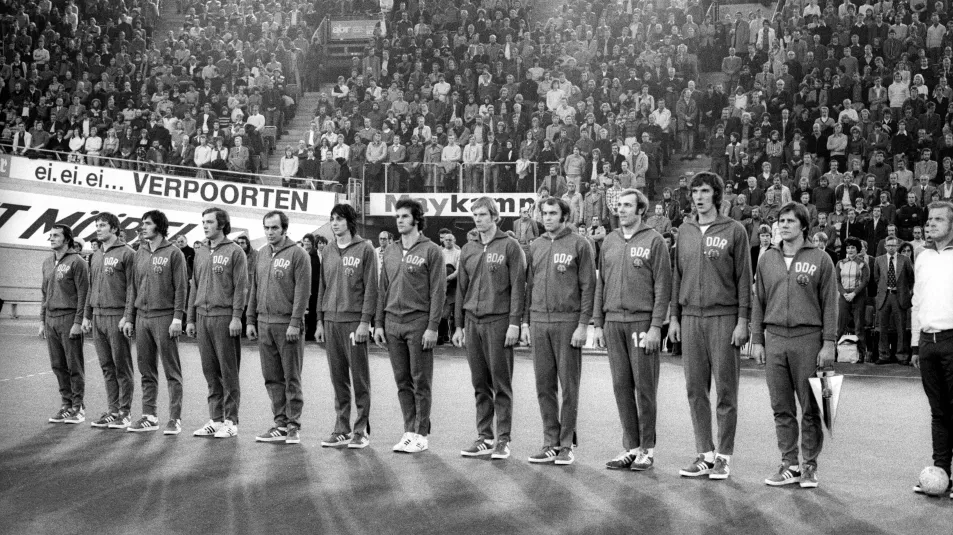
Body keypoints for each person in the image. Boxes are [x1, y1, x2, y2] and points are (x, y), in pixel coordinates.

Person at [670, 172, 752, 480]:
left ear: (716, 194)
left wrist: (743, 320)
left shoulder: (735, 230)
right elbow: (678, 275)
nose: (699, 197)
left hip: (724, 316)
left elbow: (744, 278)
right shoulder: (686, 231)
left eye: (705, 191)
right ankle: (704, 453)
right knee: (695, 388)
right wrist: (674, 317)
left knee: (726, 391)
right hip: (690, 316)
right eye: (695, 192)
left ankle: (724, 456)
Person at [751, 202, 837, 489]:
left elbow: (830, 304)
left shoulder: (821, 259)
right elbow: (758, 301)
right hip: (774, 338)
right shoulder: (766, 259)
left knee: (811, 406)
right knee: (781, 406)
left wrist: (828, 343)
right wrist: (757, 340)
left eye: (790, 221)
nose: (783, 225)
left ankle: (810, 465)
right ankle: (789, 464)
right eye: (780, 221)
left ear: (803, 226)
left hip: (808, 339)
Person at [594, 188, 672, 471]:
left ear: (641, 210)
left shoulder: (655, 241)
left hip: (642, 323)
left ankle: (647, 449)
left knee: (645, 388)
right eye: (619, 205)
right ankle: (630, 446)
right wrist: (598, 323)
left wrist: (655, 327)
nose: (622, 210)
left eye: (628, 205)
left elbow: (663, 288)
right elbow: (600, 284)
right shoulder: (610, 240)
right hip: (613, 322)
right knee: (620, 386)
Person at [521, 197, 596, 466]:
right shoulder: (536, 246)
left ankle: (566, 444)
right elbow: (529, 286)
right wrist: (526, 321)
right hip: (539, 321)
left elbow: (589, 287)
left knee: (569, 387)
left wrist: (583, 324)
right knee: (544, 386)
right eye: (544, 213)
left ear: (565, 216)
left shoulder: (580, 244)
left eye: (553, 213)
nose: (548, 217)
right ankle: (550, 442)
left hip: (568, 322)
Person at [454, 198, 526, 460]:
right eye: (474, 214)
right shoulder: (468, 249)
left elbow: (519, 287)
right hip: (473, 322)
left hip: (499, 322)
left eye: (483, 214)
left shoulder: (510, 246)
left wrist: (515, 323)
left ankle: (503, 439)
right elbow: (461, 290)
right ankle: (484, 436)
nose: (478, 218)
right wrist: (459, 325)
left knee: (501, 384)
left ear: (495, 216)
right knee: (479, 383)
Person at [374, 199, 446, 453]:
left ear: (417, 219)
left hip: (418, 322)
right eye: (397, 216)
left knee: (421, 380)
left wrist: (433, 327)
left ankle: (421, 434)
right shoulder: (390, 251)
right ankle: (408, 430)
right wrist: (379, 323)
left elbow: (438, 291)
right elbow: (382, 288)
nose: (400, 220)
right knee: (402, 380)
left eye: (405, 216)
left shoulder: (432, 250)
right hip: (392, 322)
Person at [247, 211, 312, 445]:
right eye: (266, 228)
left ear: (284, 229)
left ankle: (294, 425)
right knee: (272, 377)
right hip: (264, 323)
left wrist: (295, 322)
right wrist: (251, 319)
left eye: (274, 228)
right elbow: (254, 287)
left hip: (287, 325)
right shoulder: (261, 254)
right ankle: (280, 423)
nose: (269, 232)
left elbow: (302, 292)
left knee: (291, 377)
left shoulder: (299, 254)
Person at [316, 204, 378, 449]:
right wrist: (320, 320)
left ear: (350, 222)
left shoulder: (366, 249)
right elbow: (323, 286)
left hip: (354, 322)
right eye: (332, 219)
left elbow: (371, 288)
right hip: (331, 321)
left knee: (360, 378)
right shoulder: (329, 250)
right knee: (338, 378)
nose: (334, 223)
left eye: (340, 219)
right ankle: (341, 428)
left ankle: (361, 430)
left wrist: (365, 322)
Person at [186, 208, 248, 438]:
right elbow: (194, 284)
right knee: (210, 371)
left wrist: (236, 317)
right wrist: (190, 318)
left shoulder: (235, 252)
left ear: (221, 224)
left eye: (209, 222)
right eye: (203, 222)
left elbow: (241, 287)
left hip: (224, 317)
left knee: (228, 371)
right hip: (202, 316)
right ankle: (216, 418)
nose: (205, 226)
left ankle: (231, 420)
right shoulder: (200, 251)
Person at [125, 210, 188, 433]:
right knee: (146, 370)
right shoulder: (138, 253)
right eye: (142, 223)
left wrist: (177, 318)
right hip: (142, 317)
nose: (142, 227)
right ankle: (149, 415)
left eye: (147, 224)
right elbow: (133, 286)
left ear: (159, 227)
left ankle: (175, 418)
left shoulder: (174, 253)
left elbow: (181, 288)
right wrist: (129, 317)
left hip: (164, 317)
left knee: (172, 371)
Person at [911, 201, 953, 498]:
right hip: (927, 344)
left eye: (939, 219)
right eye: (929, 220)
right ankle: (941, 473)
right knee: (938, 413)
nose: (931, 224)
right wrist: (915, 344)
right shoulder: (922, 257)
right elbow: (916, 301)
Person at [82, 213, 136, 429]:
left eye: (102, 225)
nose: (98, 229)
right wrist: (86, 314)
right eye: (96, 225)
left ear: (114, 229)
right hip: (97, 316)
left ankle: (125, 412)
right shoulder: (94, 256)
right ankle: (113, 410)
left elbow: (133, 287)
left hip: (117, 316)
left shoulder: (128, 254)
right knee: (106, 366)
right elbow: (91, 287)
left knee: (122, 366)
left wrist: (127, 315)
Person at [41, 224, 89, 424]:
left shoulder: (77, 262)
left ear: (67, 239)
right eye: (50, 236)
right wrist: (42, 320)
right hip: (51, 319)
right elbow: (44, 293)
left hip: (69, 318)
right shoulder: (47, 262)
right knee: (58, 365)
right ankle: (66, 405)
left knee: (73, 365)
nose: (51, 239)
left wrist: (78, 322)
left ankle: (78, 407)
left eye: (56, 236)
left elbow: (83, 295)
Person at [872, 235, 915, 365]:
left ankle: (902, 355)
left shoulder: (905, 260)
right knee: (882, 328)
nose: (891, 247)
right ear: (885, 246)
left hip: (899, 296)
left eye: (894, 245)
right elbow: (877, 278)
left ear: (897, 246)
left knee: (901, 328)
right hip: (885, 296)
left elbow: (911, 278)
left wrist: (907, 291)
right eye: (889, 245)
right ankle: (883, 355)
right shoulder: (878, 260)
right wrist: (884, 289)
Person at [836, 237, 871, 362]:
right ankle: (834, 353)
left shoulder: (862, 263)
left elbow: (865, 281)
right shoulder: (840, 263)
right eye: (848, 247)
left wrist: (854, 294)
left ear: (857, 250)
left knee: (858, 326)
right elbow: (837, 281)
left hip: (858, 297)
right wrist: (844, 293)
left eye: (853, 248)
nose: (850, 250)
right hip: (844, 296)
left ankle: (861, 354)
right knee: (840, 326)